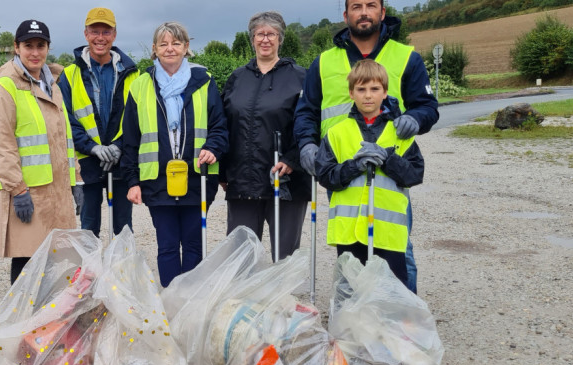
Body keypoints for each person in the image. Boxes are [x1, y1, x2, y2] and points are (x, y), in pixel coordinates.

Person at [293, 0, 439, 292]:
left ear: (382, 12)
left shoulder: (406, 57)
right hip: (341, 167)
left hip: (389, 174)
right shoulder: (323, 62)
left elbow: (427, 107)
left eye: (371, 5)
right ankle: (353, 321)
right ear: (346, 15)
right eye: (356, 6)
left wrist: (415, 118)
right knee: (349, 250)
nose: (364, 12)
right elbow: (307, 110)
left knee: (398, 246)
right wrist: (307, 145)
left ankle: (404, 319)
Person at [120, 21, 229, 287]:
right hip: (156, 181)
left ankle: (190, 301)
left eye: (176, 43)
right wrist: (133, 181)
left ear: (186, 47)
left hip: (197, 178)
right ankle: (171, 301)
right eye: (164, 43)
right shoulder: (140, 85)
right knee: (167, 246)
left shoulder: (205, 81)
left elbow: (220, 126)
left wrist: (213, 148)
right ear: (154, 49)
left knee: (194, 245)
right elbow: (130, 139)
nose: (170, 48)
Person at [0, 20, 77, 284]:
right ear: (16, 48)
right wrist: (17, 190)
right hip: (27, 192)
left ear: (48, 47)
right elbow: (2, 145)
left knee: (52, 257)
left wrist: (76, 179)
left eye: (40, 45)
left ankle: (45, 318)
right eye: (28, 46)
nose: (35, 52)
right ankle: (23, 320)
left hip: (56, 189)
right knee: (27, 260)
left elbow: (63, 138)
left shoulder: (52, 83)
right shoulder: (6, 86)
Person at [315, 59, 423, 285]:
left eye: (375, 89)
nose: (367, 95)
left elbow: (414, 174)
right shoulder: (337, 133)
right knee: (351, 291)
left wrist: (388, 160)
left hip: (387, 232)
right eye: (361, 89)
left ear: (385, 93)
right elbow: (325, 175)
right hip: (350, 233)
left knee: (390, 291)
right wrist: (354, 166)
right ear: (351, 93)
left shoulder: (399, 133)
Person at [220, 11, 309, 262]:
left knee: (285, 255)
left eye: (271, 34)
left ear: (280, 38)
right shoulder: (237, 78)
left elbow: (311, 125)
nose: (266, 39)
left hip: (286, 180)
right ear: (252, 39)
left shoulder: (301, 77)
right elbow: (225, 124)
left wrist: (293, 160)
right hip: (243, 180)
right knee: (240, 254)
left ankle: (281, 299)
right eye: (260, 34)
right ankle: (243, 299)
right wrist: (223, 171)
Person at [59, 7, 139, 238]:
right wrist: (93, 148)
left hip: (121, 161)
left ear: (114, 34)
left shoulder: (132, 73)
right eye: (95, 31)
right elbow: (66, 119)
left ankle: (121, 273)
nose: (100, 38)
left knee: (123, 228)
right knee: (88, 228)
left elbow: (138, 118)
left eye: (106, 31)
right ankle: (90, 274)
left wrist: (118, 146)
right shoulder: (70, 74)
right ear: (85, 34)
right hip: (87, 164)